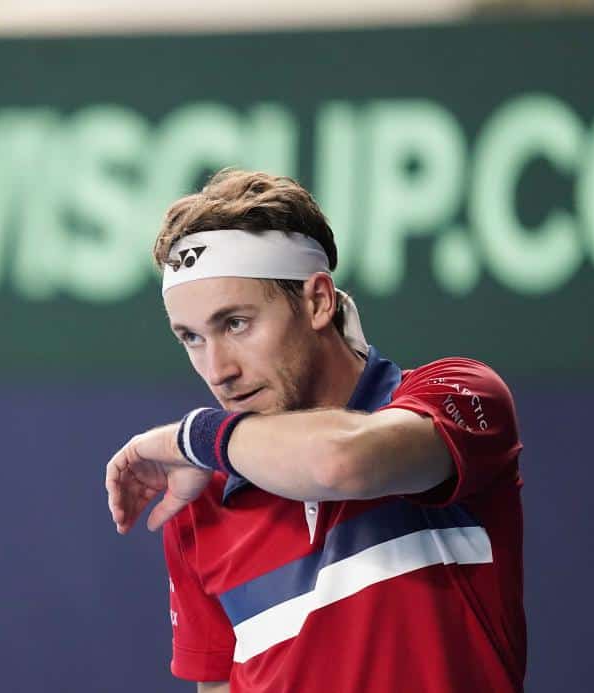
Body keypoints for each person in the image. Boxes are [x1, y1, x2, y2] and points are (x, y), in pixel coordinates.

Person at [105, 169, 525, 693]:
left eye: (235, 323)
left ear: (318, 301)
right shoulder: (198, 498)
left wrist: (188, 437)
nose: (217, 370)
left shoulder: (457, 396)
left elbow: (340, 462)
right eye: (191, 338)